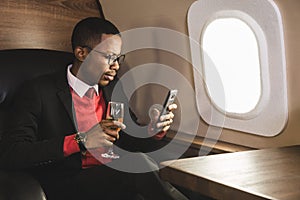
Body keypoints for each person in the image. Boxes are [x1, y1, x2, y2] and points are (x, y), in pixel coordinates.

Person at [0, 17, 188, 200]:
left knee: (176, 165)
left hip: (115, 176)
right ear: (81, 53)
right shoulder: (38, 92)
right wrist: (81, 140)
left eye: (118, 58)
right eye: (109, 57)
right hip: (67, 180)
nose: (115, 66)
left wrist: (151, 131)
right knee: (136, 163)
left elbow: (128, 139)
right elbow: (13, 152)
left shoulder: (113, 87)